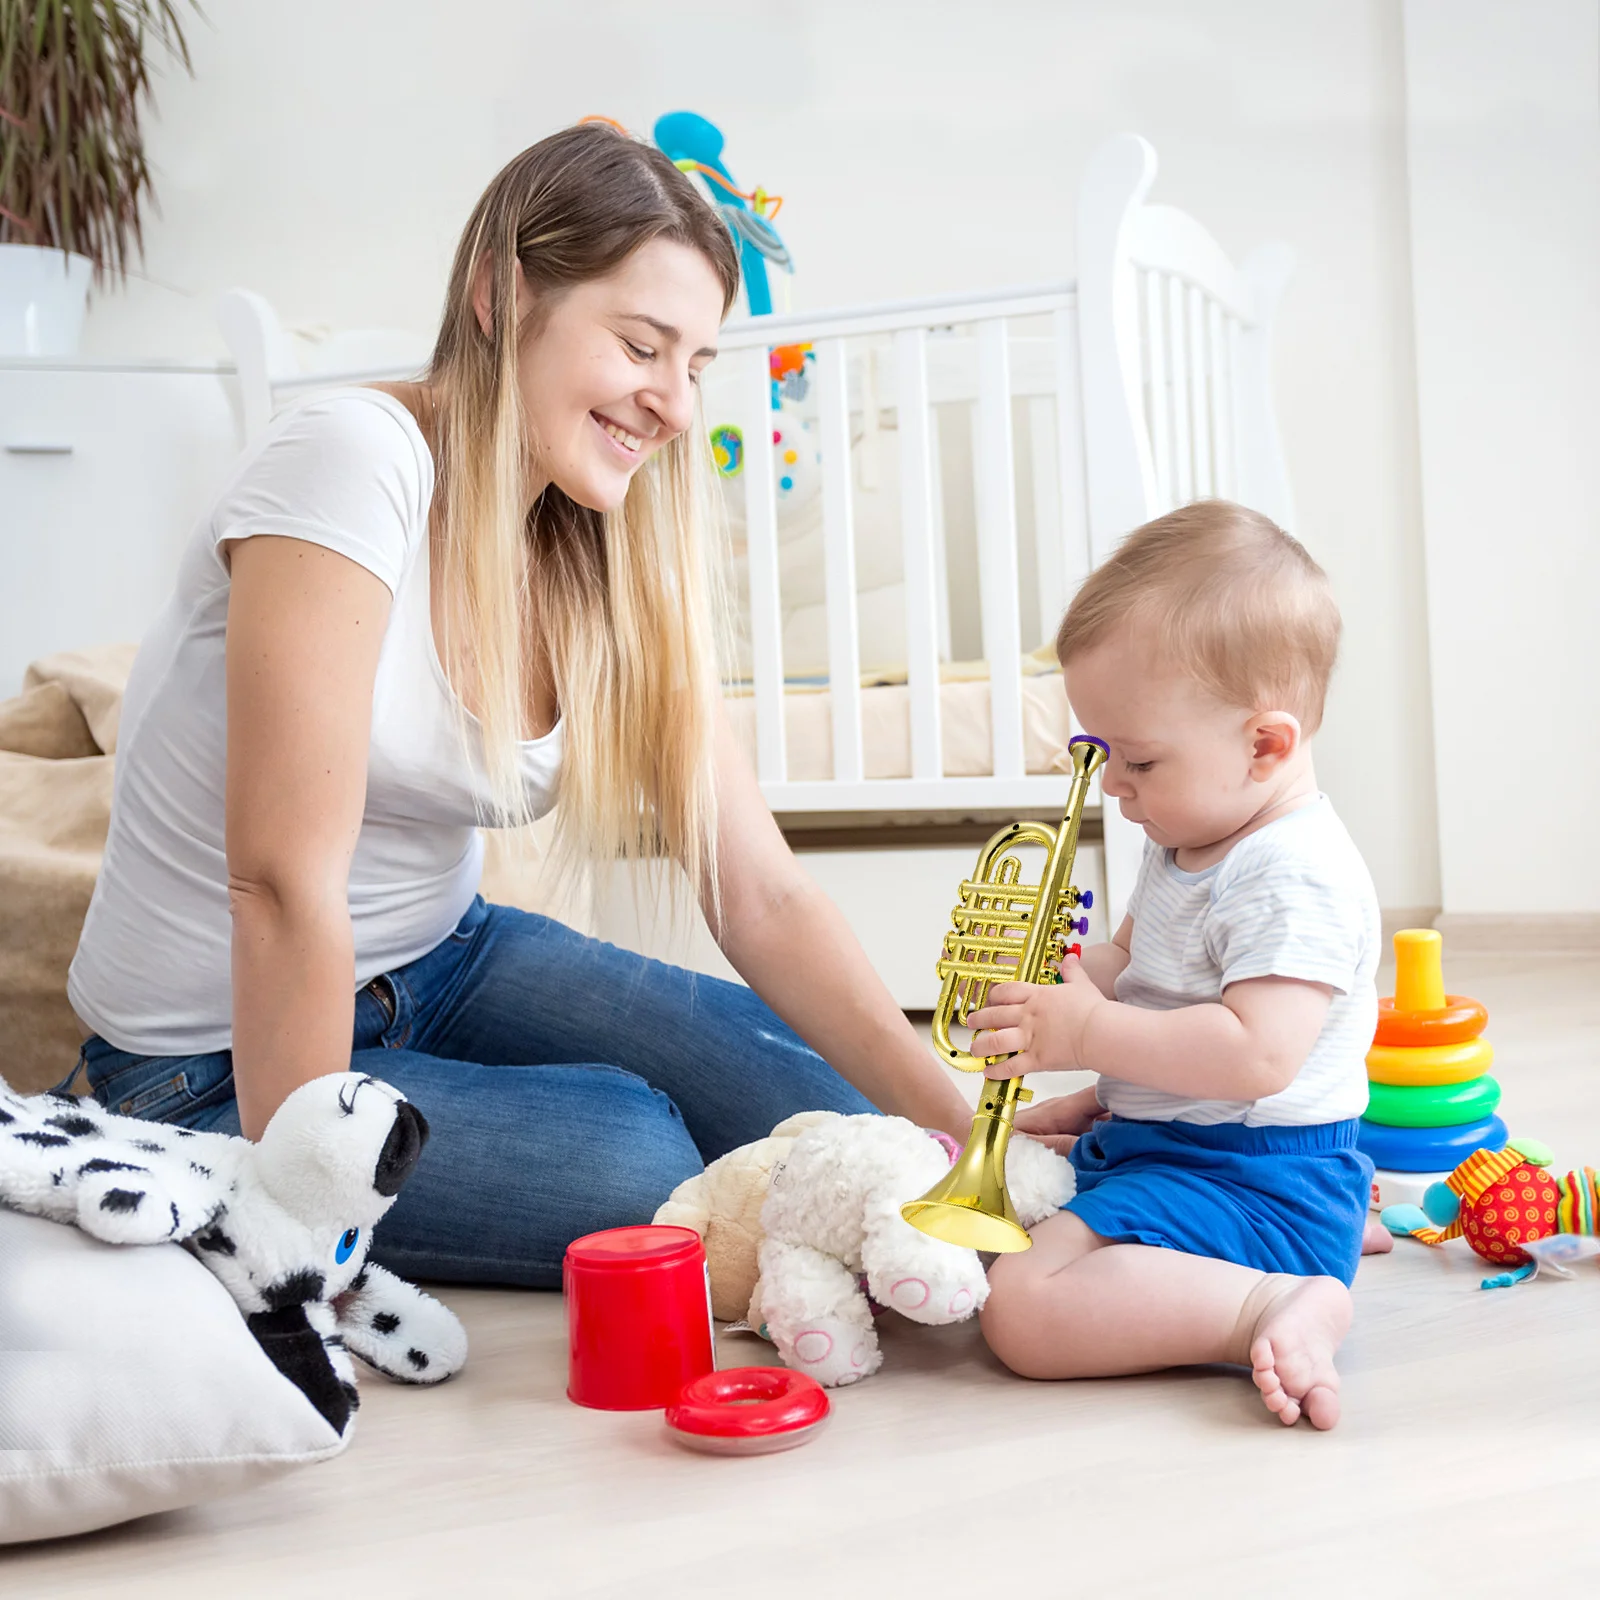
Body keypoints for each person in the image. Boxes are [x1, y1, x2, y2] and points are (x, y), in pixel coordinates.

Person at [63, 123, 971, 1288]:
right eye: (643, 345)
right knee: (634, 1149)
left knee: (843, 1110)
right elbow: (280, 884)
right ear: (501, 294)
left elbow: (758, 887)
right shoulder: (351, 458)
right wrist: (296, 1209)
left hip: (447, 958)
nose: (675, 405)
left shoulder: (600, 543)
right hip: (209, 1061)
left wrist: (970, 1134)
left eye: (695, 363)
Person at [971, 501, 1379, 1430]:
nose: (1113, 786)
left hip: (1256, 1174)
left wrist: (1087, 1032)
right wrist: (1078, 979)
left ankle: (1266, 1305)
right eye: (1104, 755)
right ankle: (1284, 1255)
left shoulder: (1291, 873)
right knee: (1007, 1196)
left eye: (1139, 760)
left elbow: (1255, 1055)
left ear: (1265, 744)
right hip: (1185, 1144)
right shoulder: (1193, 834)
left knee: (1022, 1310)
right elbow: (1140, 963)